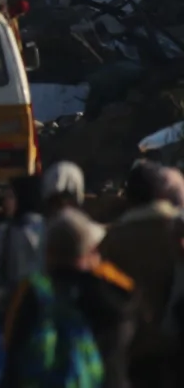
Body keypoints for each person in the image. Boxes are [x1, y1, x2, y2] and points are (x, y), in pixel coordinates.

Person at [0, 210, 134, 388]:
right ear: (91, 251)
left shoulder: (31, 291)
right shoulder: (111, 292)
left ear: (47, 252)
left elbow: (10, 348)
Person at [96, 161, 182, 386]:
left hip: (130, 350)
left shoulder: (113, 240)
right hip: (176, 346)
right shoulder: (177, 232)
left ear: (128, 197)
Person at [0, 172, 46, 314]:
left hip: (13, 308)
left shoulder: (5, 232)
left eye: (11, 197)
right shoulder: (51, 228)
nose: (5, 203)